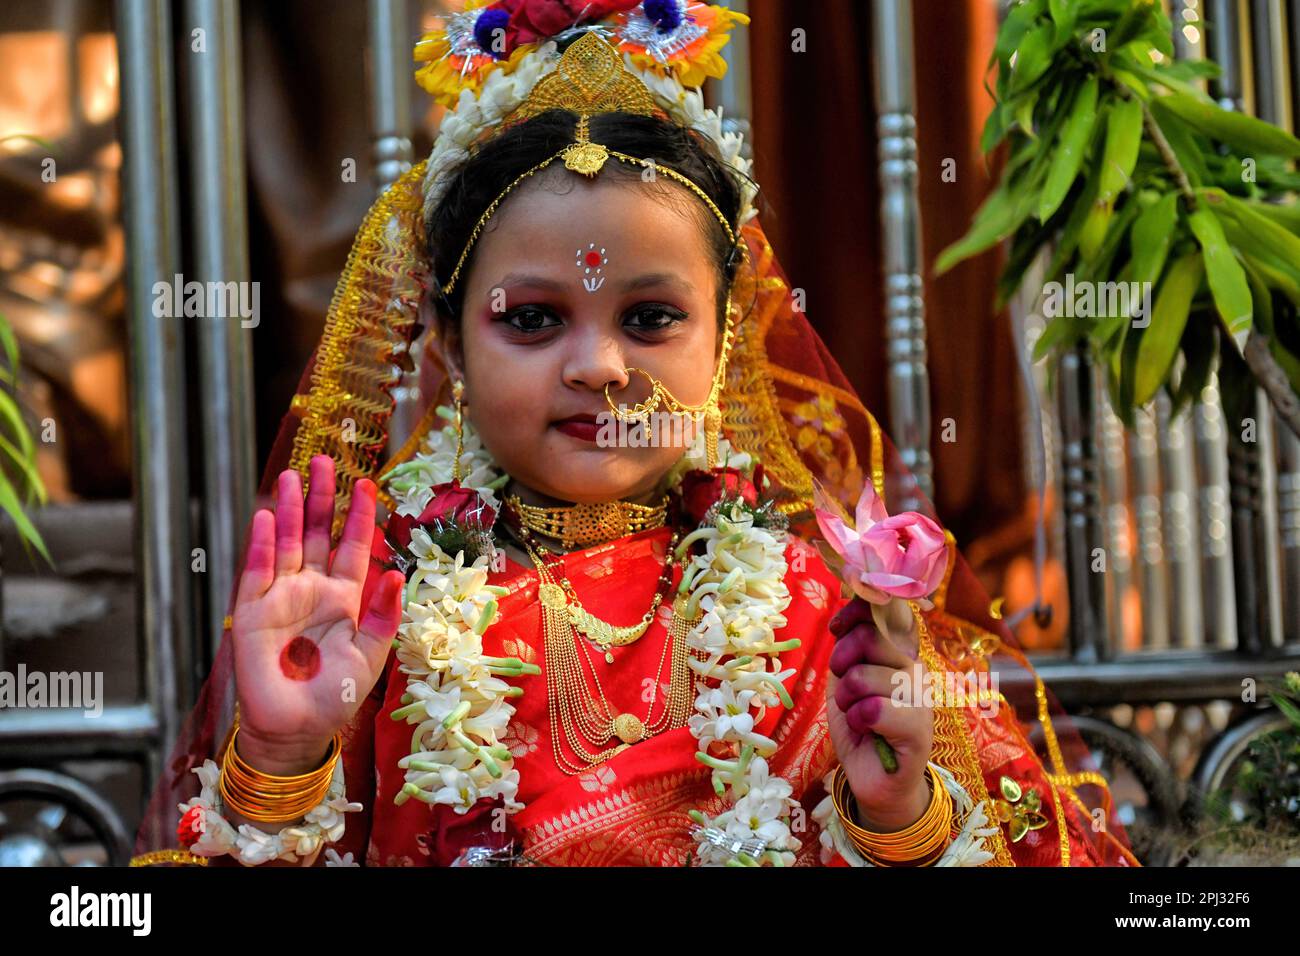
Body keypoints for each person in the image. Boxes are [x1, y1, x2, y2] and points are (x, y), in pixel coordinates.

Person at [132, 3, 1138, 868]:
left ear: (727, 331)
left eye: (650, 317)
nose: (599, 366)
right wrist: (277, 757)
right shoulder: (368, 605)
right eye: (531, 318)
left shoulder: (821, 610)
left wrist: (896, 814)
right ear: (443, 340)